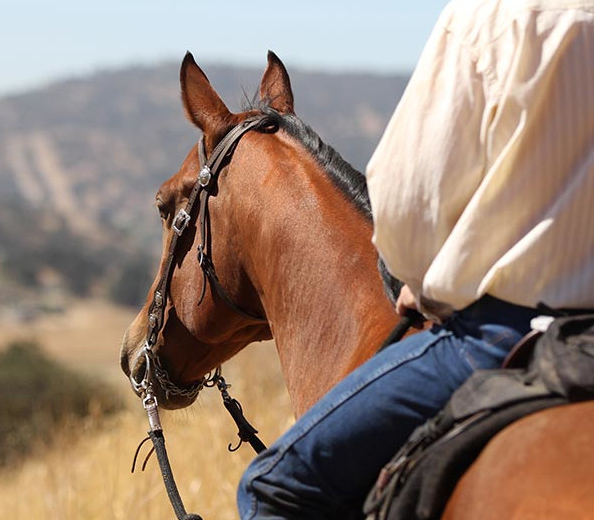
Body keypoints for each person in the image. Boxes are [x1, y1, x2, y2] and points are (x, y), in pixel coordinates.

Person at [237, 0, 594, 518]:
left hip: (506, 331)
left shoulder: (494, 15)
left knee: (272, 486)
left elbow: (407, 195)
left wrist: (419, 279)